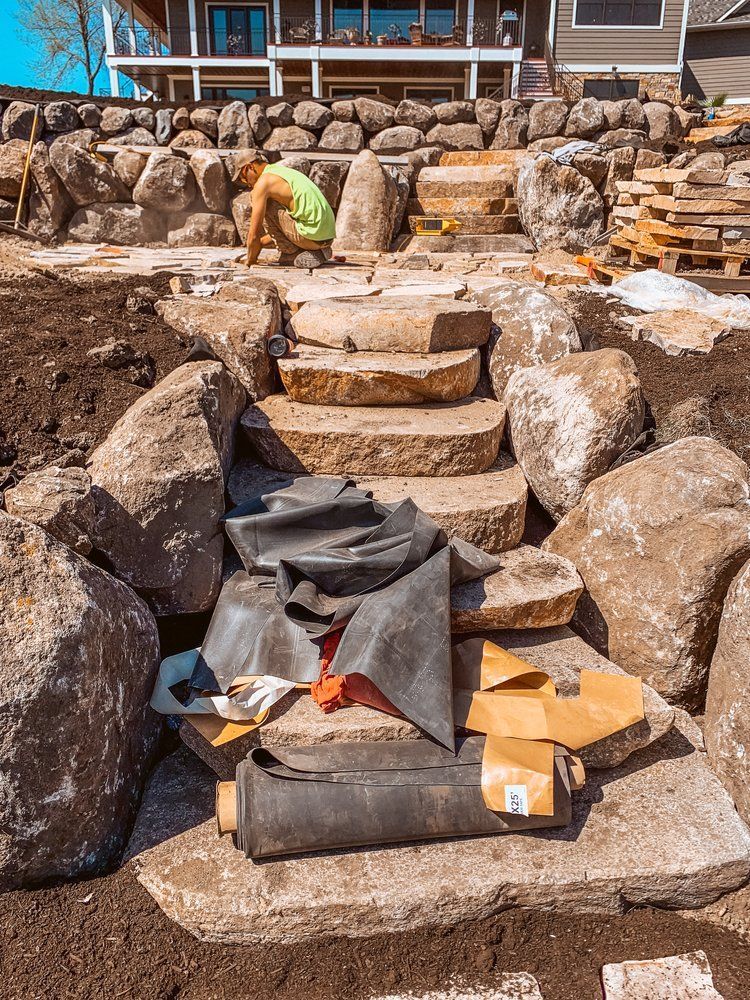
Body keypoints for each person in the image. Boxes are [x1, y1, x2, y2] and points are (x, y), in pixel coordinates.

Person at [231, 150, 336, 269]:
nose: (248, 184)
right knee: (266, 199)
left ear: (248, 167)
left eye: (244, 179)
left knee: (259, 198)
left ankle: (291, 253)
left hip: (312, 237)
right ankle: (317, 250)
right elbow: (284, 226)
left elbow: (253, 233)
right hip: (325, 237)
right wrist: (260, 243)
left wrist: (250, 261)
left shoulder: (263, 183)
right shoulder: (282, 172)